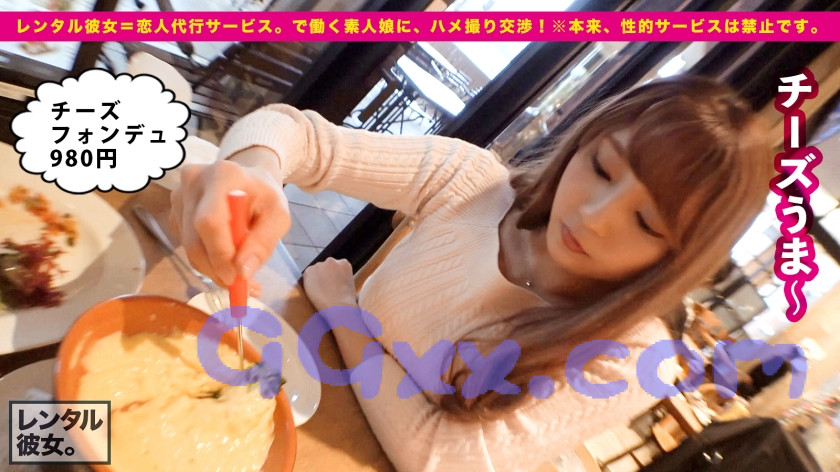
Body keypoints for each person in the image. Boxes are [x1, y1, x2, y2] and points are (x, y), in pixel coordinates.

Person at [169, 75, 773, 471]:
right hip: (273, 405)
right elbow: (297, 135)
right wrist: (255, 169)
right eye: (602, 168)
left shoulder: (633, 356)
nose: (593, 216)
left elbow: (440, 458)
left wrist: (345, 314)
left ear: (677, 259)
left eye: (644, 221)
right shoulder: (474, 182)